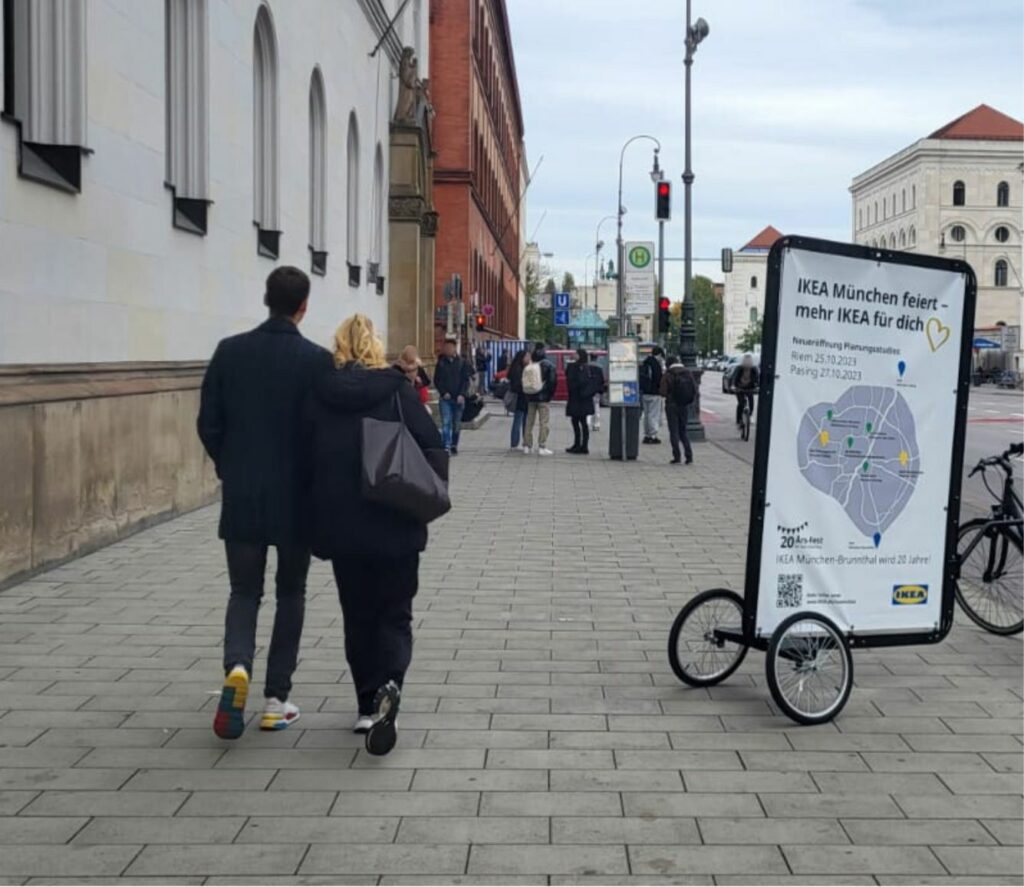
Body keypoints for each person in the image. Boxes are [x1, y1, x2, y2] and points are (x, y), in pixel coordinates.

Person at [197, 266, 334, 740]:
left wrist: (229, 465)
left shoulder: (229, 353)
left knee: (244, 592)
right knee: (290, 593)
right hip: (296, 500)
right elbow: (325, 434)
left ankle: (237, 667)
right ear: (304, 306)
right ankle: (276, 699)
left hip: (243, 494)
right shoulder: (317, 361)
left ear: (265, 299)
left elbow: (208, 423)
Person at [307, 314, 447, 755]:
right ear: (376, 348)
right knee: (395, 613)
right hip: (396, 522)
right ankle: (392, 685)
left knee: (358, 616)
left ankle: (367, 704)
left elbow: (305, 459)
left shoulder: (321, 398)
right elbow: (433, 444)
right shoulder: (399, 393)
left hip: (346, 530)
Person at [434, 337, 472, 454]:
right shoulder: (441, 363)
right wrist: (443, 392)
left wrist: (462, 394)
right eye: (446, 347)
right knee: (446, 422)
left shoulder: (462, 362)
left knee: (456, 424)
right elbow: (437, 380)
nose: (448, 349)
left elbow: (466, 380)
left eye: (450, 347)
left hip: (458, 398)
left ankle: (454, 444)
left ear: (455, 348)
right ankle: (446, 445)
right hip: (446, 398)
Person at [660, 355, 696, 465]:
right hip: (684, 405)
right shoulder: (688, 373)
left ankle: (677, 456)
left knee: (674, 431)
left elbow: (663, 392)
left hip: (671, 405)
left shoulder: (668, 374)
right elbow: (694, 389)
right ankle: (689, 456)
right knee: (683, 431)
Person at [524, 342, 557, 456]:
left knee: (529, 422)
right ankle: (542, 446)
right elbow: (552, 382)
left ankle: (527, 446)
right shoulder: (549, 365)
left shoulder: (530, 365)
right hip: (543, 398)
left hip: (531, 396)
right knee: (543, 422)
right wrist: (550, 395)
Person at [565, 349, 596, 454]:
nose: (574, 355)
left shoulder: (581, 367)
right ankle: (578, 444)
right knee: (576, 421)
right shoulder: (578, 366)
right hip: (579, 399)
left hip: (580, 399)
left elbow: (577, 381)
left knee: (581, 422)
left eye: (576, 354)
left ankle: (583, 445)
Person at [506, 348, 531, 451]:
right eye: (527, 357)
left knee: (524, 420)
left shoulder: (522, 368)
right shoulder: (518, 369)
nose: (529, 358)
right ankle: (515, 443)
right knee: (519, 420)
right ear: (522, 358)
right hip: (520, 398)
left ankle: (525, 442)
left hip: (524, 398)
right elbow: (517, 385)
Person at [640, 345, 665, 444]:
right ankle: (653, 435)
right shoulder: (656, 365)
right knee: (653, 415)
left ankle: (646, 434)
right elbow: (658, 379)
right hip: (654, 393)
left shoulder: (645, 362)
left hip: (645, 392)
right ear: (659, 354)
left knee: (646, 414)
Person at [395, 345, 431, 409]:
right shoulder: (397, 367)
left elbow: (427, 381)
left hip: (415, 396)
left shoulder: (418, 366)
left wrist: (420, 382)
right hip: (401, 396)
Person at [733, 352, 759, 429]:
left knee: (751, 402)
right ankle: (739, 420)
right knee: (741, 403)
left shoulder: (754, 369)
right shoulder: (739, 368)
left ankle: (749, 415)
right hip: (740, 388)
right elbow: (735, 377)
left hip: (750, 387)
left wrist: (757, 386)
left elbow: (757, 379)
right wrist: (733, 386)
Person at [588, 353, 606, 433]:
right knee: (596, 407)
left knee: (588, 407)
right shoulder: (599, 368)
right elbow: (602, 380)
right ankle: (596, 425)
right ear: (596, 358)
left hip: (588, 390)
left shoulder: (586, 366)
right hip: (596, 391)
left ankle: (587, 424)